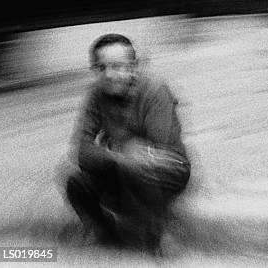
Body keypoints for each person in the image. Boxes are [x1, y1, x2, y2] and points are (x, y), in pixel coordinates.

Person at [65, 33, 190, 254]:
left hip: (169, 171)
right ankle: (106, 231)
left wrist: (111, 153)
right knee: (75, 181)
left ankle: (158, 234)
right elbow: (81, 151)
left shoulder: (155, 90)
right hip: (121, 166)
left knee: (134, 162)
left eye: (117, 66)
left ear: (134, 67)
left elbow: (162, 148)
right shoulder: (95, 95)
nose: (109, 75)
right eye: (101, 68)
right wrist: (119, 155)